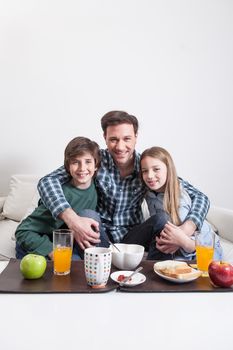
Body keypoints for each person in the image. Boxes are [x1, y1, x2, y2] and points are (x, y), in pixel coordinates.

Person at [37, 111, 210, 258]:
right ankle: (100, 268)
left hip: (133, 238)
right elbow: (47, 181)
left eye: (127, 138)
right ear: (105, 138)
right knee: (87, 214)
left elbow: (200, 197)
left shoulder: (146, 167)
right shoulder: (95, 161)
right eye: (113, 139)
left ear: (136, 137)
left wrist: (187, 229)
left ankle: (155, 270)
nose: (120, 146)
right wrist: (72, 219)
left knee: (162, 220)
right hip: (101, 236)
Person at [15, 136, 108, 260]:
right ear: (67, 167)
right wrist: (51, 251)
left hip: (65, 243)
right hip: (39, 248)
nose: (82, 168)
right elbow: (23, 231)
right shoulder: (63, 195)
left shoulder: (96, 186)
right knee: (75, 265)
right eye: (75, 162)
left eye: (88, 161)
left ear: (96, 165)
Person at [138, 146, 222, 260]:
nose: (150, 176)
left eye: (156, 169)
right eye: (145, 171)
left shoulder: (180, 196)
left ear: (168, 169)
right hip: (177, 248)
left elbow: (197, 240)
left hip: (203, 249)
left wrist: (182, 241)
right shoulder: (149, 194)